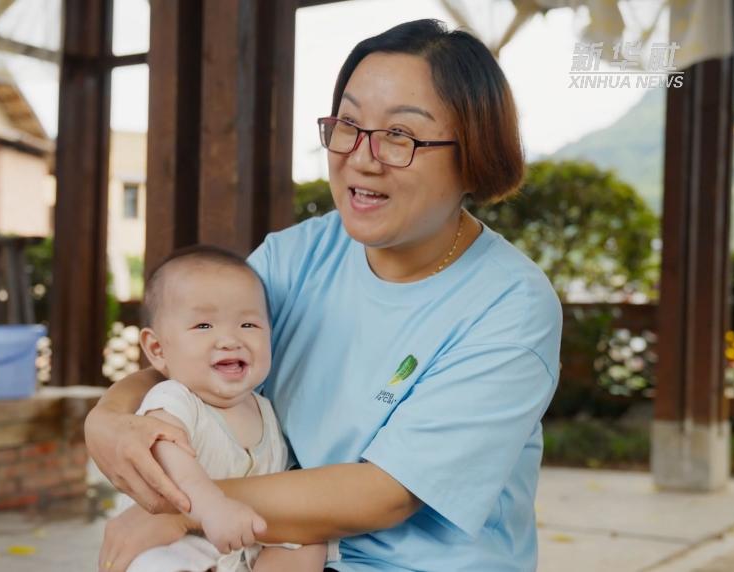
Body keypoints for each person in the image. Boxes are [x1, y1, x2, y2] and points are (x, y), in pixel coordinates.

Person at [89, 18, 562, 572]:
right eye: (349, 125)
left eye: (400, 135)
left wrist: (189, 508)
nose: (362, 157)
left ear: (474, 155)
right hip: (274, 550)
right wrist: (109, 418)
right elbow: (192, 358)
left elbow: (385, 493)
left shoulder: (511, 306)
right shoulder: (297, 257)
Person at [117, 245, 328, 572]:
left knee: (310, 542)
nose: (230, 340)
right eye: (204, 326)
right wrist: (211, 506)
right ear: (157, 349)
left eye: (248, 325)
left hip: (245, 549)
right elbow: (166, 455)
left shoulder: (265, 410)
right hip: (176, 543)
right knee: (154, 564)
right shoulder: (173, 400)